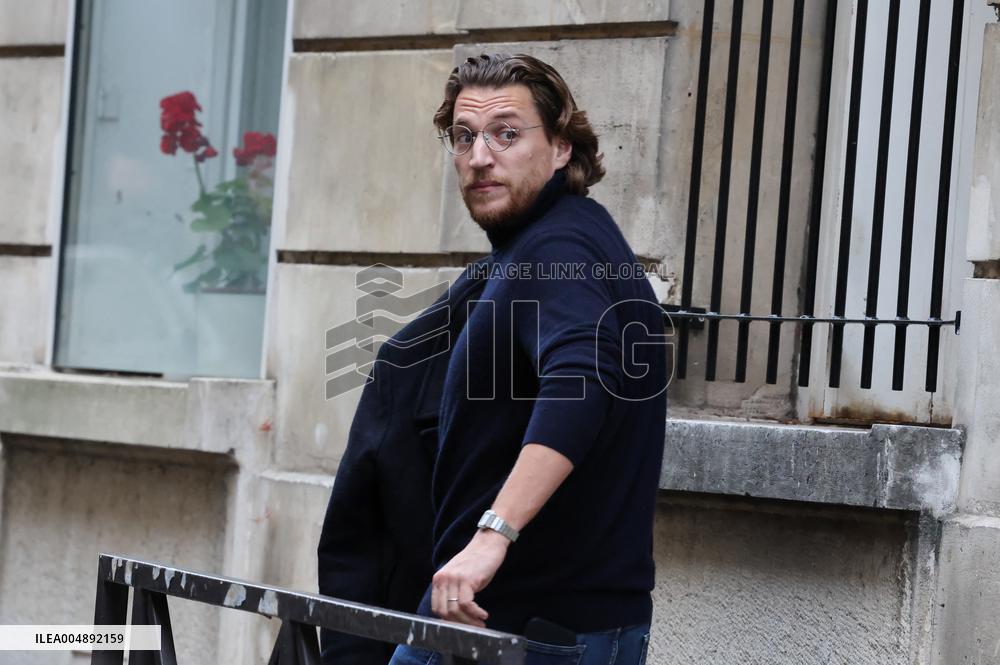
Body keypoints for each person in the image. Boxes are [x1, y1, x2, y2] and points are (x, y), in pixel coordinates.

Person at [387, 53, 668, 665]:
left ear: (563, 149)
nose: (479, 156)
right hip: (547, 624)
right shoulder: (567, 242)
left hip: (517, 630)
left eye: (506, 133)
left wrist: (493, 535)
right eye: (464, 137)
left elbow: (583, 378)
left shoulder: (556, 249)